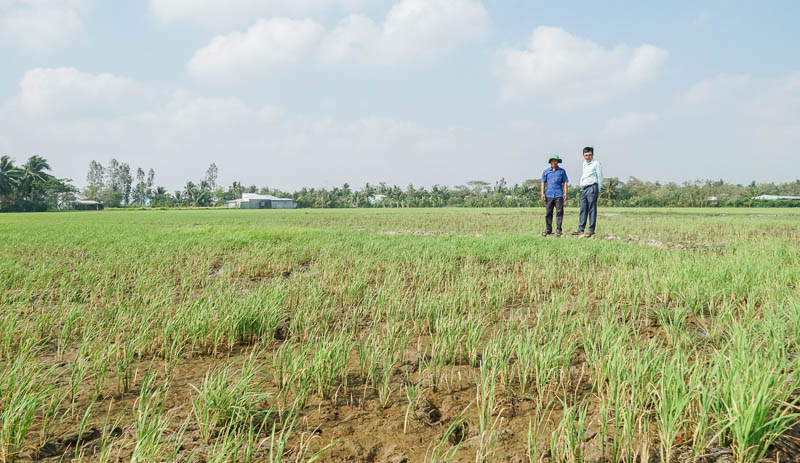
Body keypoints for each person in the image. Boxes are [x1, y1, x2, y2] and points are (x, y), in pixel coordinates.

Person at [571, 147, 603, 237]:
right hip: (584, 188)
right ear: (583, 155)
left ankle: (591, 230)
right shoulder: (584, 163)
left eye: (589, 155)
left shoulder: (596, 163)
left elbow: (600, 177)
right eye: (586, 155)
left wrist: (598, 189)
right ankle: (580, 229)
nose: (588, 157)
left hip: (592, 187)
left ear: (593, 155)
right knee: (583, 208)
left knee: (592, 208)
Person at [540, 155, 568, 236]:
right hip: (549, 195)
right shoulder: (546, 172)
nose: (554, 162)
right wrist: (542, 193)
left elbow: (565, 182)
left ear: (558, 162)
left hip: (559, 195)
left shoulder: (562, 171)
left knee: (559, 212)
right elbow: (543, 183)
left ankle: (558, 229)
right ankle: (548, 229)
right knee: (548, 213)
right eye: (552, 161)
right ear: (550, 162)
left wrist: (565, 193)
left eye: (555, 161)